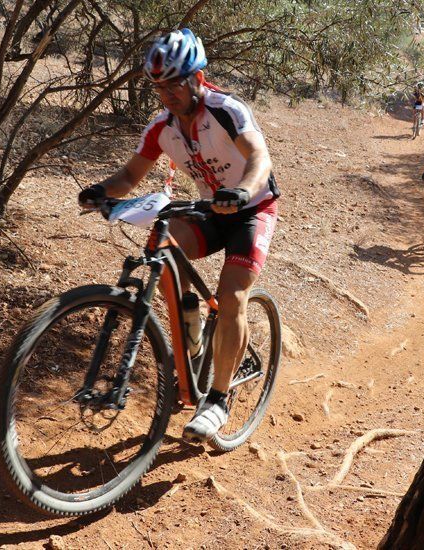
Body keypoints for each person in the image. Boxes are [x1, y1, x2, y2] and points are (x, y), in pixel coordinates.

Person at [77, 28, 280, 442]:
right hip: (211, 208)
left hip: (251, 208)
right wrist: (100, 190)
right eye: (159, 87)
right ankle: (193, 338)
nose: (167, 94)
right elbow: (131, 176)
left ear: (197, 79)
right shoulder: (160, 128)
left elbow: (259, 157)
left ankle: (219, 399)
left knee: (232, 295)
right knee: (167, 249)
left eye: (174, 84)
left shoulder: (226, 110)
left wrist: (242, 190)